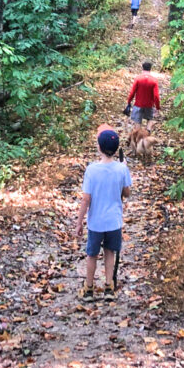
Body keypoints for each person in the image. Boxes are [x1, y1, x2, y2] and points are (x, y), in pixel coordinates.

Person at [75, 124, 132, 301]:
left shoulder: (92, 169)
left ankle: (89, 288)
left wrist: (79, 222)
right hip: (114, 221)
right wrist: (125, 169)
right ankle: (109, 287)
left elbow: (86, 199)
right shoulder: (122, 169)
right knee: (109, 252)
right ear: (116, 150)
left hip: (96, 222)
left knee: (92, 254)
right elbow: (127, 193)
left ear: (99, 147)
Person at [125, 61, 160, 126]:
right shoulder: (154, 80)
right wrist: (157, 107)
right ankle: (148, 132)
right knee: (150, 120)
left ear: (142, 68)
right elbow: (156, 96)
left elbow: (132, 92)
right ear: (150, 69)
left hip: (138, 105)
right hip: (149, 105)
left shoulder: (138, 78)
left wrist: (129, 101)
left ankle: (138, 135)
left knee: (137, 123)